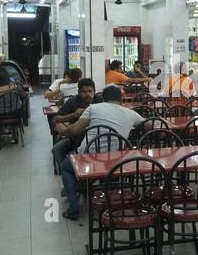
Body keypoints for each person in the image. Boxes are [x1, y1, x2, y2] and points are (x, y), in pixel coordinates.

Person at [55, 85, 145, 220]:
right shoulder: (131, 113)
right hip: (116, 161)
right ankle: (85, 186)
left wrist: (61, 130)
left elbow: (74, 130)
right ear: (121, 99)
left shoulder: (93, 108)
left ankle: (74, 208)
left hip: (87, 157)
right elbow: (150, 125)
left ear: (103, 97)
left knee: (66, 167)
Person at [50, 78, 98, 175]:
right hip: (76, 138)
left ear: (94, 91)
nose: (88, 94)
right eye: (84, 92)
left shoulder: (99, 100)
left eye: (90, 91)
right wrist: (73, 115)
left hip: (97, 138)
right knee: (57, 149)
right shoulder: (72, 102)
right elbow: (55, 119)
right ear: (79, 92)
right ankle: (67, 173)